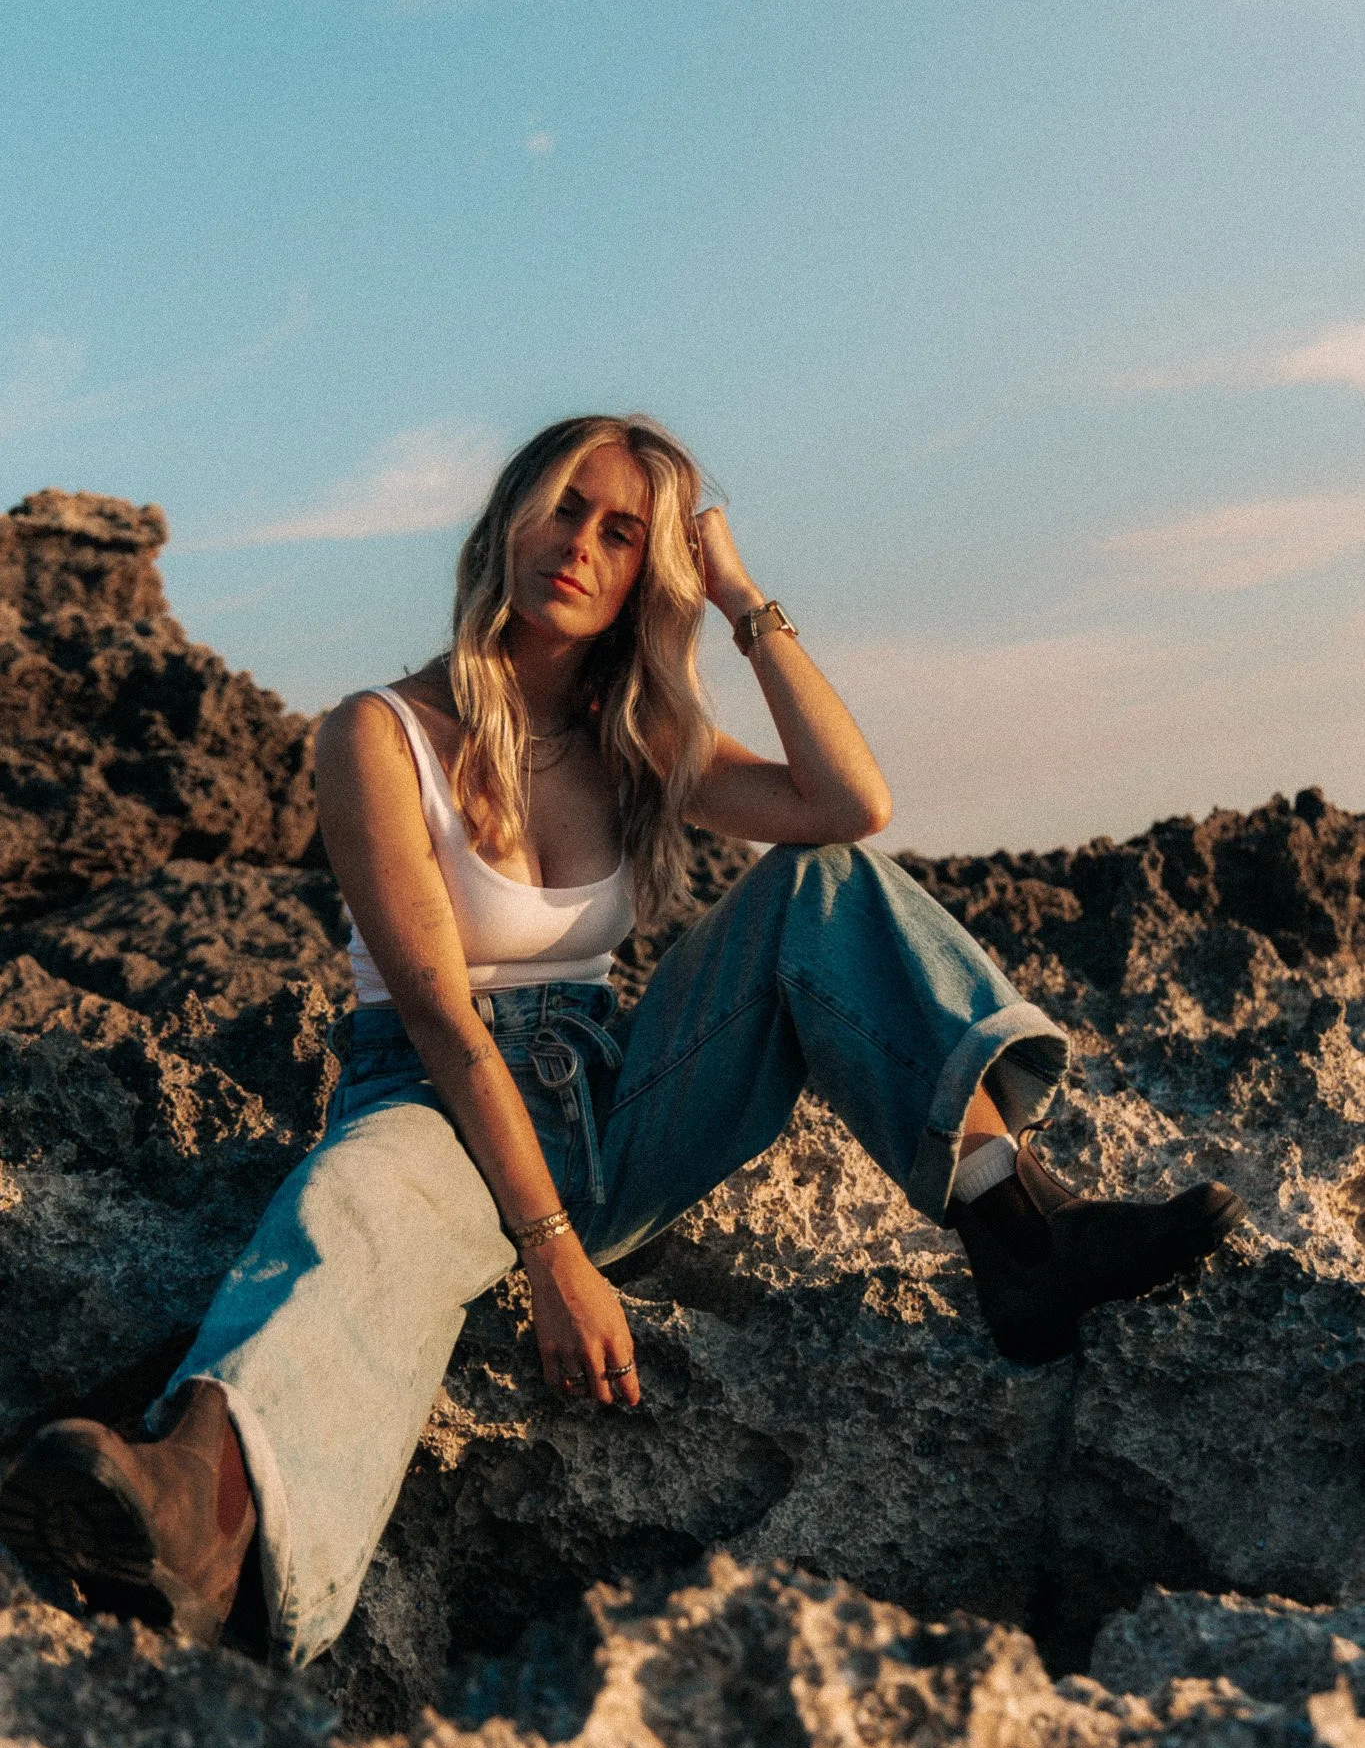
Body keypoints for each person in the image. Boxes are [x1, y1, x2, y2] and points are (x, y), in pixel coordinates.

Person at [0, 415, 1245, 1662]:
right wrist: (551, 1256)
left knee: (824, 887)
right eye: (562, 508)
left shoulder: (633, 736)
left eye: (622, 534)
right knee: (349, 1207)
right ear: (504, 523)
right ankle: (199, 1512)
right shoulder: (374, 734)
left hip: (612, 1097)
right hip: (437, 1105)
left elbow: (848, 802)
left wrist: (745, 599)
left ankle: (1013, 1222)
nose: (581, 546)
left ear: (651, 577)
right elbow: (438, 1011)